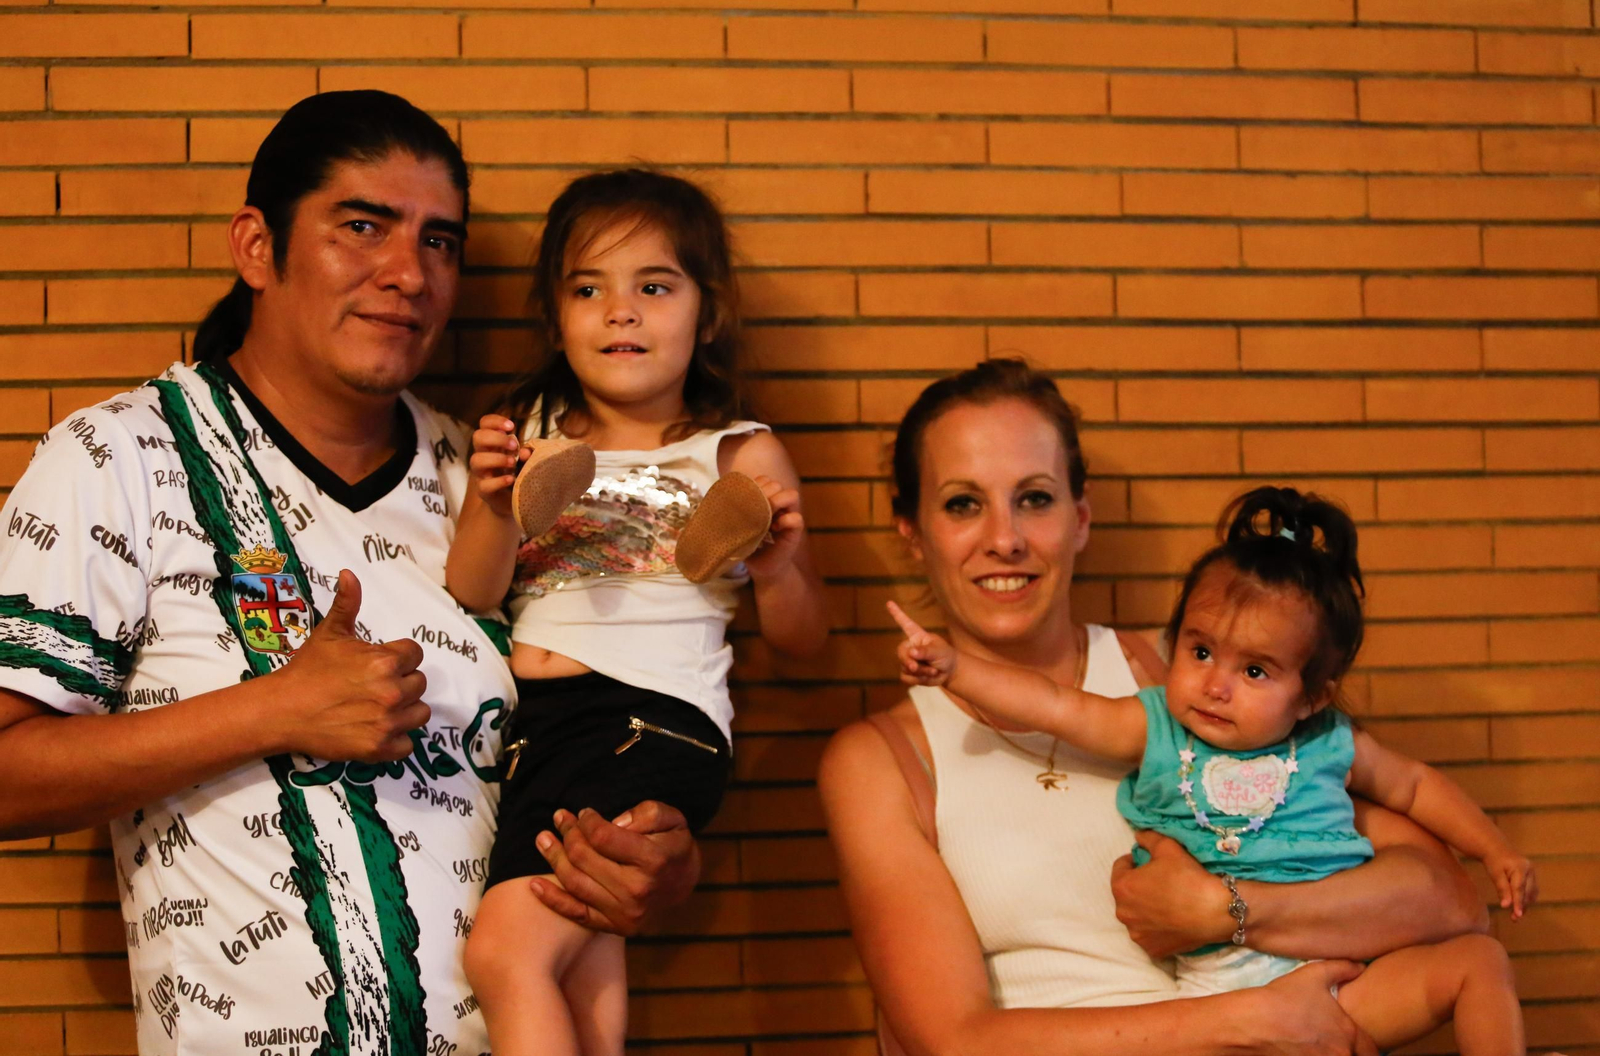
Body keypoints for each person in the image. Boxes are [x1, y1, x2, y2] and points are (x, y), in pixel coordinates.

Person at [0, 91, 700, 1056]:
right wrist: (274, 711)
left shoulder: (501, 482)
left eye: (440, 243)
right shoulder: (116, 456)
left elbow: (628, 698)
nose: (408, 273)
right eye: (361, 227)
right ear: (257, 246)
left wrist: (650, 854)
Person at [817, 359, 1489, 1056]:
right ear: (911, 530)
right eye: (963, 503)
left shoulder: (1196, 679)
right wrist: (1248, 1022)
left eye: (1035, 499)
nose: (1004, 538)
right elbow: (952, 1040)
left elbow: (1448, 899)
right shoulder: (881, 762)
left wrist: (1225, 913)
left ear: (1080, 517)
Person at [889, 484, 1530, 1053]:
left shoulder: (1329, 744)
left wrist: (1494, 849)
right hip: (1220, 998)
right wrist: (957, 670)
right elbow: (1057, 707)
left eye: (1254, 671)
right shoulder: (1159, 728)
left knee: (1480, 960)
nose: (1215, 685)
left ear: (1312, 696)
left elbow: (1416, 786)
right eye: (1199, 651)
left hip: (1345, 980)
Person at [444, 168, 829, 1056]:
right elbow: (472, 594)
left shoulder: (736, 448)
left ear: (706, 312)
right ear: (555, 315)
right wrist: (492, 503)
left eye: (653, 287)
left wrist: (779, 568)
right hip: (537, 729)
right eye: (590, 289)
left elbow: (806, 642)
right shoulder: (527, 427)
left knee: (506, 954)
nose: (621, 312)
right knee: (585, 974)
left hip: (652, 718)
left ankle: (714, 539)